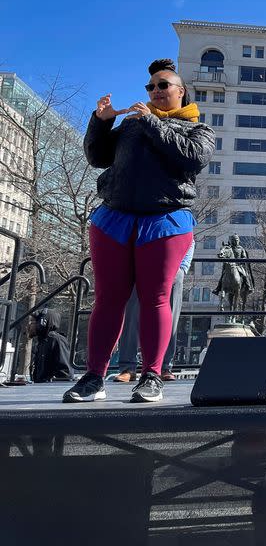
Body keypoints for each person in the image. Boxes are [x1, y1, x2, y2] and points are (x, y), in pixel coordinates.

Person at [63, 59, 213, 404]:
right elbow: (98, 156)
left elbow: (191, 158)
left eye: (163, 86)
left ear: (181, 91)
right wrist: (100, 123)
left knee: (156, 297)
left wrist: (149, 122)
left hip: (165, 220)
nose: (155, 91)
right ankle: (93, 377)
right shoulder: (131, 125)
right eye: (151, 87)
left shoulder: (198, 130)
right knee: (107, 299)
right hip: (114, 218)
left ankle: (151, 375)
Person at [113, 240, 195, 383]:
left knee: (170, 319)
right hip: (141, 263)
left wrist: (182, 268)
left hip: (172, 267)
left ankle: (165, 367)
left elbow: (189, 239)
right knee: (132, 315)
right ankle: (128, 367)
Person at [29, 308, 73, 383]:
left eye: (32, 322)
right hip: (40, 388)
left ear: (42, 323)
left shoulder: (56, 341)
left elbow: (65, 374)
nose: (30, 325)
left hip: (48, 390)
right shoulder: (42, 342)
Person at [212, 233, 254, 298]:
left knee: (245, 275)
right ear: (231, 241)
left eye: (236, 240)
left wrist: (240, 260)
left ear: (238, 240)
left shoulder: (241, 248)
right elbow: (224, 254)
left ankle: (248, 287)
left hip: (238, 265)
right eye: (234, 240)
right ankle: (218, 288)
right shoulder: (229, 248)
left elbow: (244, 257)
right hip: (229, 265)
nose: (235, 241)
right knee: (223, 275)